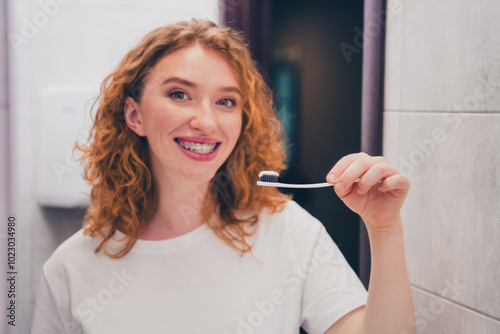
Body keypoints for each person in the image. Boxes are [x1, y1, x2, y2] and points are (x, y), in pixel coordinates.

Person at [31, 20, 415, 334]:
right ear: (134, 116)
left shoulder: (289, 233)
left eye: (226, 101)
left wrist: (384, 230)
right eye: (179, 94)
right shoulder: (69, 270)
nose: (206, 122)